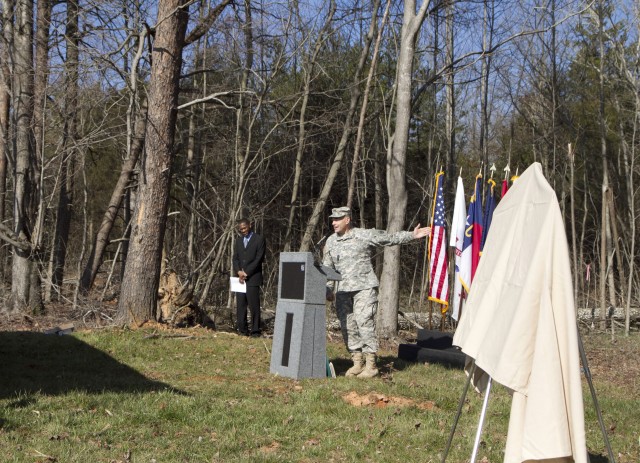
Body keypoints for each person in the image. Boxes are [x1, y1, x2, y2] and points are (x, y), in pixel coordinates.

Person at [322, 207, 431, 378]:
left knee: (364, 323)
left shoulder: (363, 235)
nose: (334, 222)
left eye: (338, 219)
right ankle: (357, 362)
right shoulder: (331, 241)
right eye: (333, 219)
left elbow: (388, 238)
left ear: (347, 220)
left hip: (364, 288)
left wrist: (411, 235)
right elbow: (327, 267)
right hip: (342, 291)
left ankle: (371, 365)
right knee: (348, 327)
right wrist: (327, 289)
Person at [232, 218, 266, 337]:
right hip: (240, 278)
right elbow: (235, 258)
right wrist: (239, 271)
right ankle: (242, 330)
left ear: (249, 225)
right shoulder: (238, 241)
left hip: (253, 278)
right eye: (240, 229)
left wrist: (247, 272)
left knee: (254, 306)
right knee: (241, 306)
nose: (243, 231)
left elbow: (259, 259)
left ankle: (255, 331)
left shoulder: (259, 239)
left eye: (244, 228)